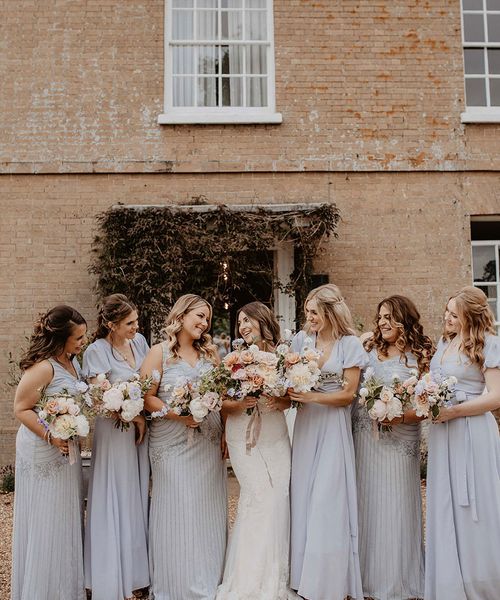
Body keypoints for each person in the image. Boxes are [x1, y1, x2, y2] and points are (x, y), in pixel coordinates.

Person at [141, 294, 227, 600]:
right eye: (199, 316)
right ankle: (174, 584)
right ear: (182, 314)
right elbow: (147, 397)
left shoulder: (212, 356)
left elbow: (220, 396)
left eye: (207, 318)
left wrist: (225, 433)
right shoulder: (158, 353)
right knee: (177, 508)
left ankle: (207, 579)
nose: (204, 323)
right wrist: (179, 415)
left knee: (205, 509)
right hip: (171, 442)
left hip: (207, 440)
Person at [289, 284, 368, 600]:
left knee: (328, 497)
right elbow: (289, 376)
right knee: (304, 494)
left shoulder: (349, 344)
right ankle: (302, 575)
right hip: (307, 424)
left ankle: (328, 580)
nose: (309, 318)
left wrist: (311, 396)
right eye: (306, 312)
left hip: (333, 426)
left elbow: (348, 394)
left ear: (330, 312)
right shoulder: (301, 340)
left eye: (313, 312)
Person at [352, 295, 434, 600]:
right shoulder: (370, 349)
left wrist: (400, 415)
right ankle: (365, 578)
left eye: (390, 317)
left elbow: (428, 403)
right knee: (368, 504)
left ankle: (401, 579)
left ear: (404, 319)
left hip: (402, 440)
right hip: (368, 439)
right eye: (380, 317)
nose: (383, 323)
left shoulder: (422, 355)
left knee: (398, 506)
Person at [425, 286, 500, 600]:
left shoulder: (490, 344)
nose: (448, 318)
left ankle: (480, 582)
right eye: (447, 312)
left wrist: (453, 411)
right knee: (444, 502)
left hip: (471, 432)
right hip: (444, 435)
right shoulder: (445, 342)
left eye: (455, 314)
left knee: (474, 507)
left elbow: (495, 398)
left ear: (471, 316)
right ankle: (449, 584)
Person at [217, 301, 294, 600]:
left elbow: (292, 398)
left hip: (274, 431)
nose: (243, 326)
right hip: (242, 433)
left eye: (247, 320)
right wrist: (239, 403)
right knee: (257, 497)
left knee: (278, 497)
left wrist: (279, 401)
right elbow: (220, 401)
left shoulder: (283, 356)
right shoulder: (232, 360)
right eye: (239, 322)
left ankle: (274, 577)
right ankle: (246, 579)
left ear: (262, 321)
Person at [12, 305, 87, 600]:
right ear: (61, 338)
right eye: (78, 338)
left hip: (65, 447)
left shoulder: (71, 362)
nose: (82, 343)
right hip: (43, 448)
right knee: (46, 518)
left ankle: (64, 587)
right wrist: (51, 435)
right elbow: (20, 408)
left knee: (65, 516)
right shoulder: (44, 367)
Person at [82, 294, 150, 600]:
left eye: (136, 321)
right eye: (129, 323)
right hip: (115, 430)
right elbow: (99, 399)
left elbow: (149, 383)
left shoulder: (141, 343)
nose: (136, 327)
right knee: (117, 492)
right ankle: (111, 573)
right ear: (111, 324)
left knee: (138, 491)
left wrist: (142, 415)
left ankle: (138, 573)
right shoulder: (96, 351)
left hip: (141, 428)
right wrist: (132, 417)